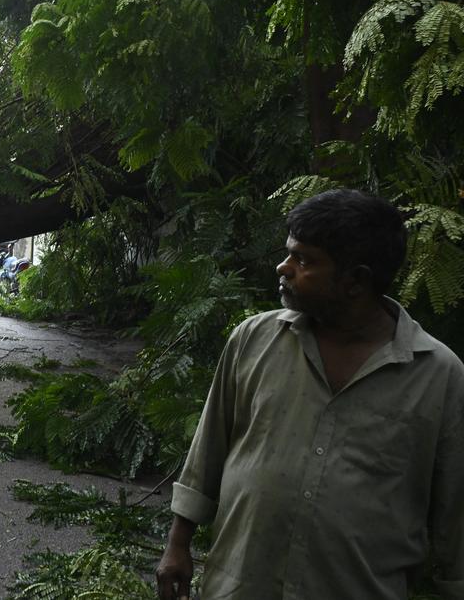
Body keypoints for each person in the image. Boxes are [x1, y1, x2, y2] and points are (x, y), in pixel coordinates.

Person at [155, 189, 464, 600]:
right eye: (289, 253)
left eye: (304, 260)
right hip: (241, 586)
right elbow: (208, 449)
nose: (283, 267)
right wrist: (177, 545)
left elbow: (454, 513)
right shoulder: (253, 339)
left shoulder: (438, 375)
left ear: (356, 280)